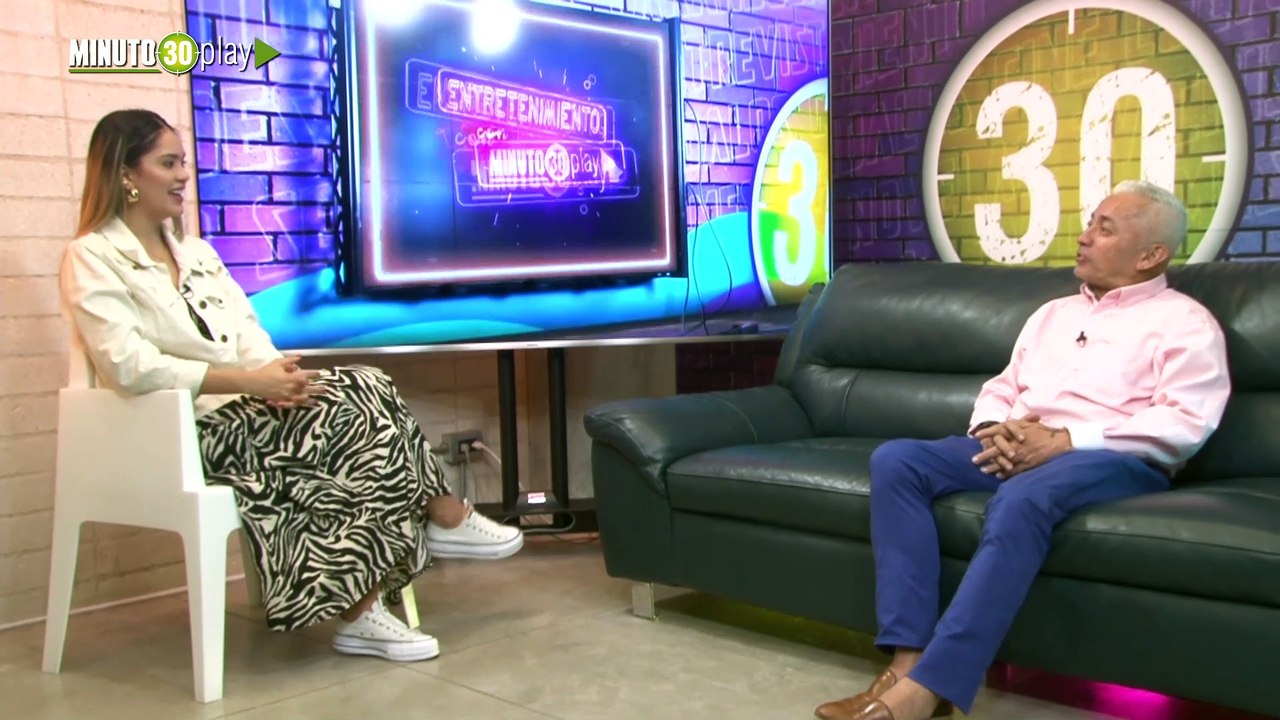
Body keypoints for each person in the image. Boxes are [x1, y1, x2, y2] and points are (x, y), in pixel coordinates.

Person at [59, 108, 525, 663]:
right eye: (168, 163)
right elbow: (128, 366)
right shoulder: (91, 256)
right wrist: (251, 382)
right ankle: (432, 526)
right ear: (125, 174)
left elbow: (248, 335)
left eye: (183, 161)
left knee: (364, 386)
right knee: (349, 413)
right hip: (180, 430)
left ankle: (371, 602)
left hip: (246, 410)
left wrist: (281, 378)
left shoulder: (198, 253)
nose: (184, 174)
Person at [814, 180, 1231, 720]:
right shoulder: (1053, 314)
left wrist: (1067, 440)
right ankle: (908, 658)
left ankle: (932, 687)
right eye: (1090, 223)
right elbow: (1004, 385)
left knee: (1023, 498)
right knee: (899, 461)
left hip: (1116, 459)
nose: (1084, 237)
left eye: (1104, 229)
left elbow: (1186, 422)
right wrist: (994, 428)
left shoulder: (1186, 323)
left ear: (1151, 255)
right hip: (1020, 442)